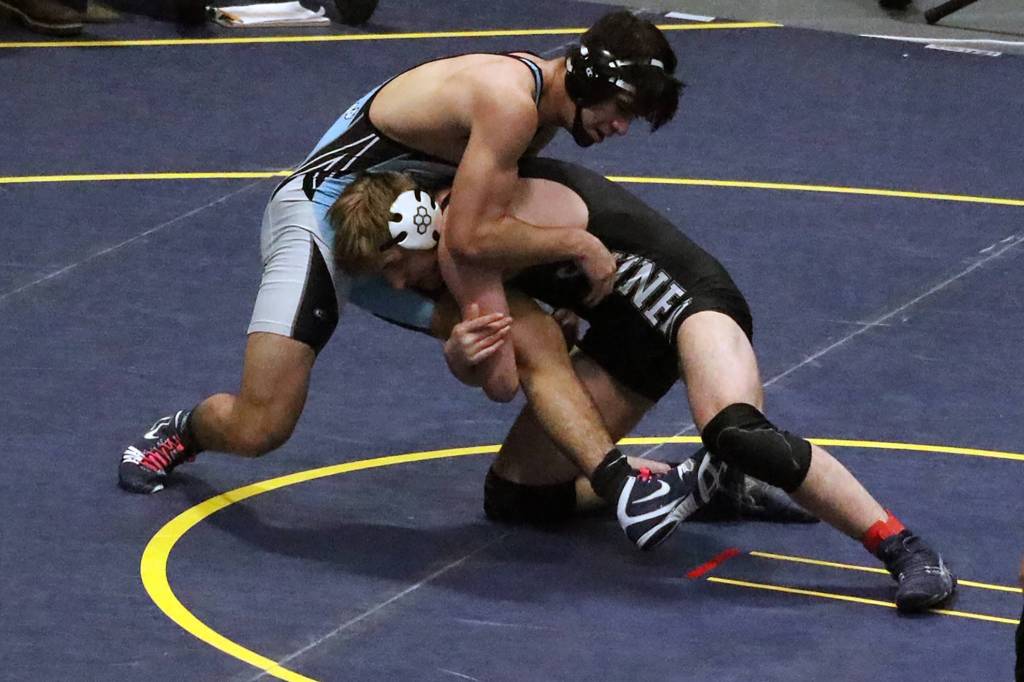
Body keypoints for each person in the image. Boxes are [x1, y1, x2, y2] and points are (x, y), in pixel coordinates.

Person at [119, 11, 720, 549]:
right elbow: (469, 238)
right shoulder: (510, 102)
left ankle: (622, 485)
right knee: (261, 426)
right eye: (621, 109)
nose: (620, 127)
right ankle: (185, 429)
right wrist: (577, 244)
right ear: (589, 78)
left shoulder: (534, 115)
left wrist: (489, 336)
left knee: (530, 338)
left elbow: (472, 256)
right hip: (325, 221)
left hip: (406, 240)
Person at [330, 155, 958, 612]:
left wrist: (470, 353)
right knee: (518, 497)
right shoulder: (455, 235)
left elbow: (498, 382)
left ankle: (904, 547)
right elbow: (501, 376)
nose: (399, 286)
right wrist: (463, 354)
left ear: (417, 226)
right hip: (625, 338)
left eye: (395, 266)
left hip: (688, 300)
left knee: (737, 431)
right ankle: (698, 488)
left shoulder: (465, 236)